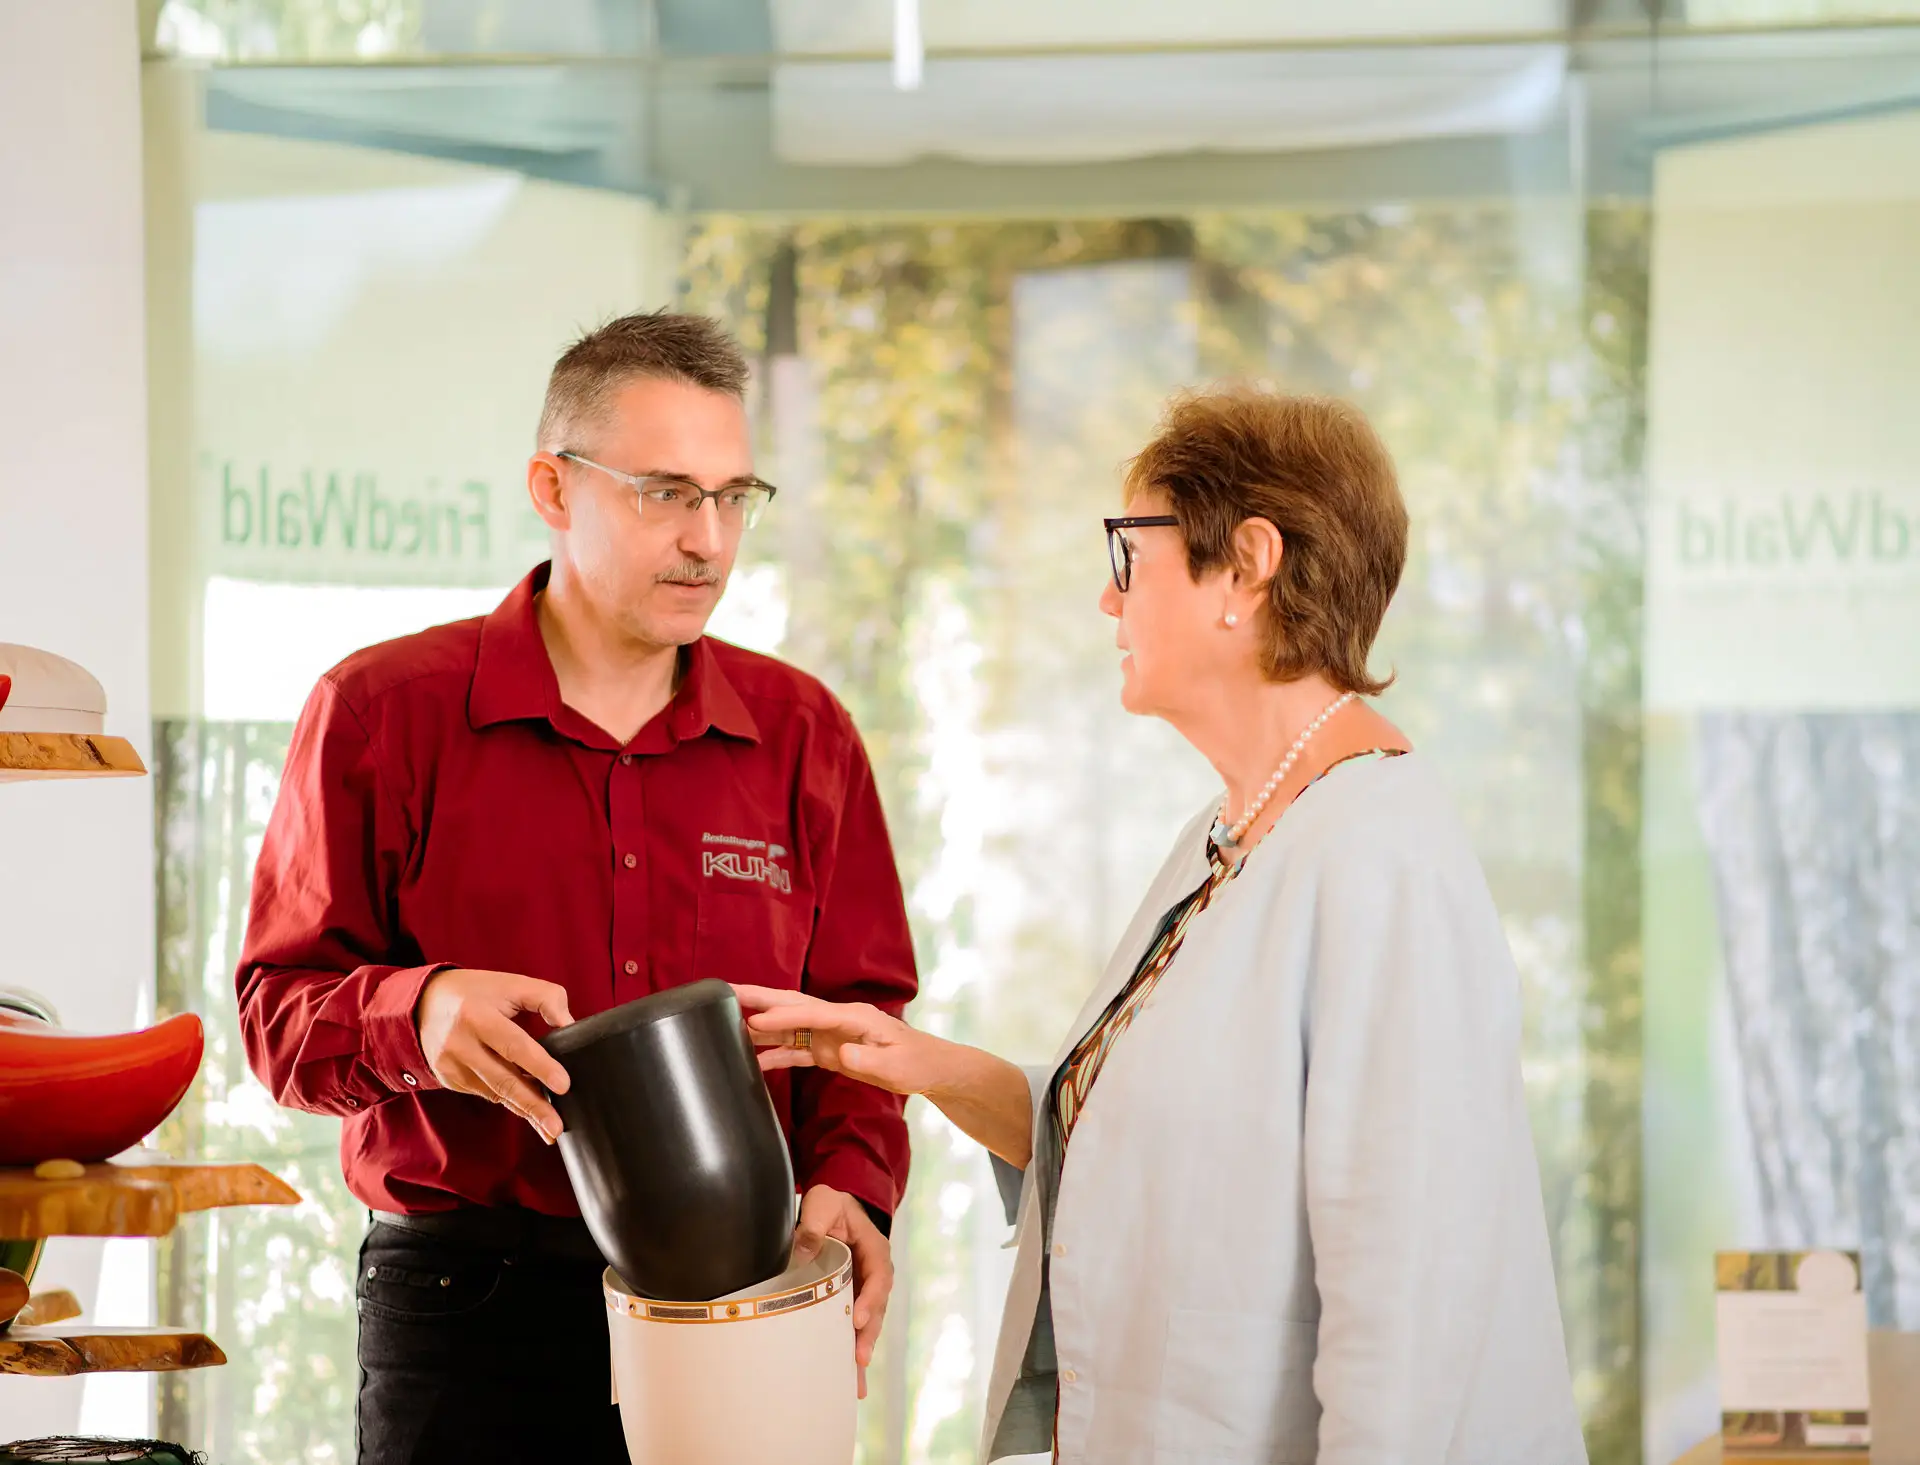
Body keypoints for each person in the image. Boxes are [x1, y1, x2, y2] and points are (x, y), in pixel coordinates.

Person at [737, 387, 1588, 1464]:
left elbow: (1408, 1318)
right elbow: (1148, 1149)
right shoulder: (1229, 831)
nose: (1107, 598)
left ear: (1246, 565)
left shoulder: (1381, 858)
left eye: (1130, 555)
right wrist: (919, 1063)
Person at [235, 311, 917, 1465]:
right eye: (665, 493)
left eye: (732, 495)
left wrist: (855, 1185)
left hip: (741, 1305)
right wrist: (422, 1009)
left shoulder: (806, 734)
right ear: (553, 488)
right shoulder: (380, 711)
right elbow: (275, 1018)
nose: (709, 539)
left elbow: (862, 1018)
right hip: (467, 1305)